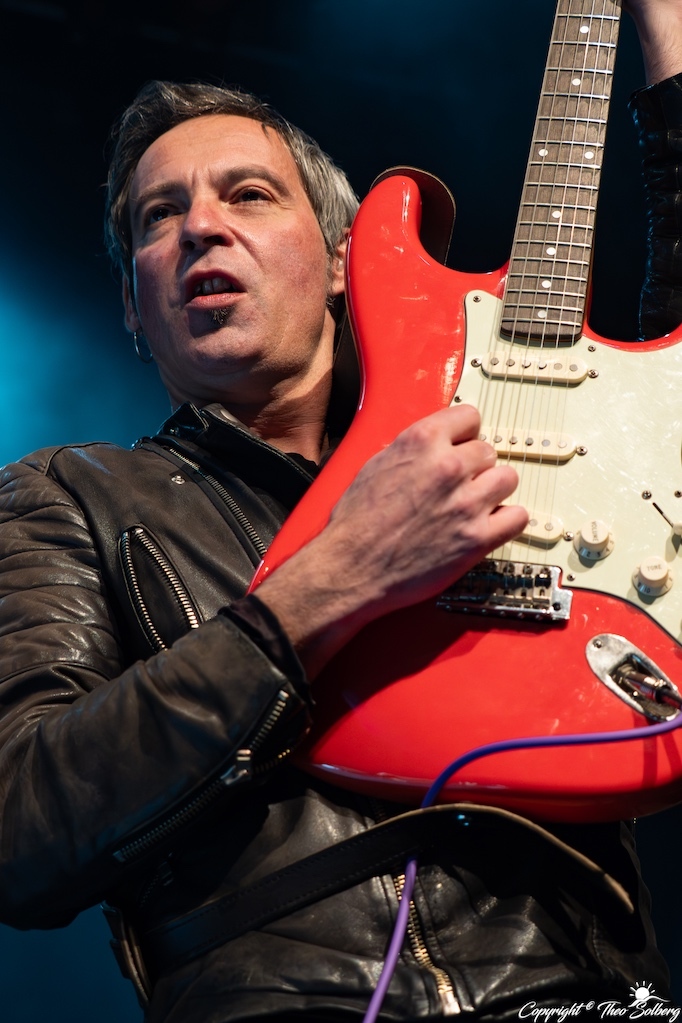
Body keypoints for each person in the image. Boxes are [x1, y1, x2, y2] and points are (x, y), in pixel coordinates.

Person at [1, 1, 682, 1019]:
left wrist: (666, 41)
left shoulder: (498, 435)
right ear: (133, 309)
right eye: (158, 215)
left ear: (340, 261)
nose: (200, 226)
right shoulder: (67, 495)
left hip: (579, 985)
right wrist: (325, 584)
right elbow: (21, 829)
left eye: (247, 193)